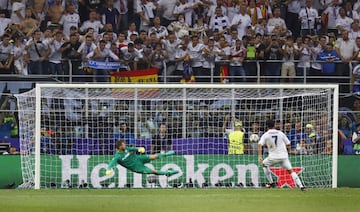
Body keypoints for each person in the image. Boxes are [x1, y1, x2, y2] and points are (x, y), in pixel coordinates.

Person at [258, 119, 306, 190]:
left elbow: (259, 145)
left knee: (264, 165)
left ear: (267, 126)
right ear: (274, 125)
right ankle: (301, 186)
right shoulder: (280, 133)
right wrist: (286, 150)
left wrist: (260, 156)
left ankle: (271, 183)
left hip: (273, 157)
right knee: (291, 171)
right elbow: (288, 144)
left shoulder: (266, 135)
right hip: (283, 156)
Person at [105, 140, 179, 176]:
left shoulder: (126, 149)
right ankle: (167, 173)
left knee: (154, 156)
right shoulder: (117, 156)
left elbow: (133, 149)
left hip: (138, 158)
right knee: (154, 171)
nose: (125, 145)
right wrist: (108, 169)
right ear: (120, 147)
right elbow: (111, 163)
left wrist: (139, 149)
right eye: (123, 145)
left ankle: (166, 154)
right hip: (137, 167)